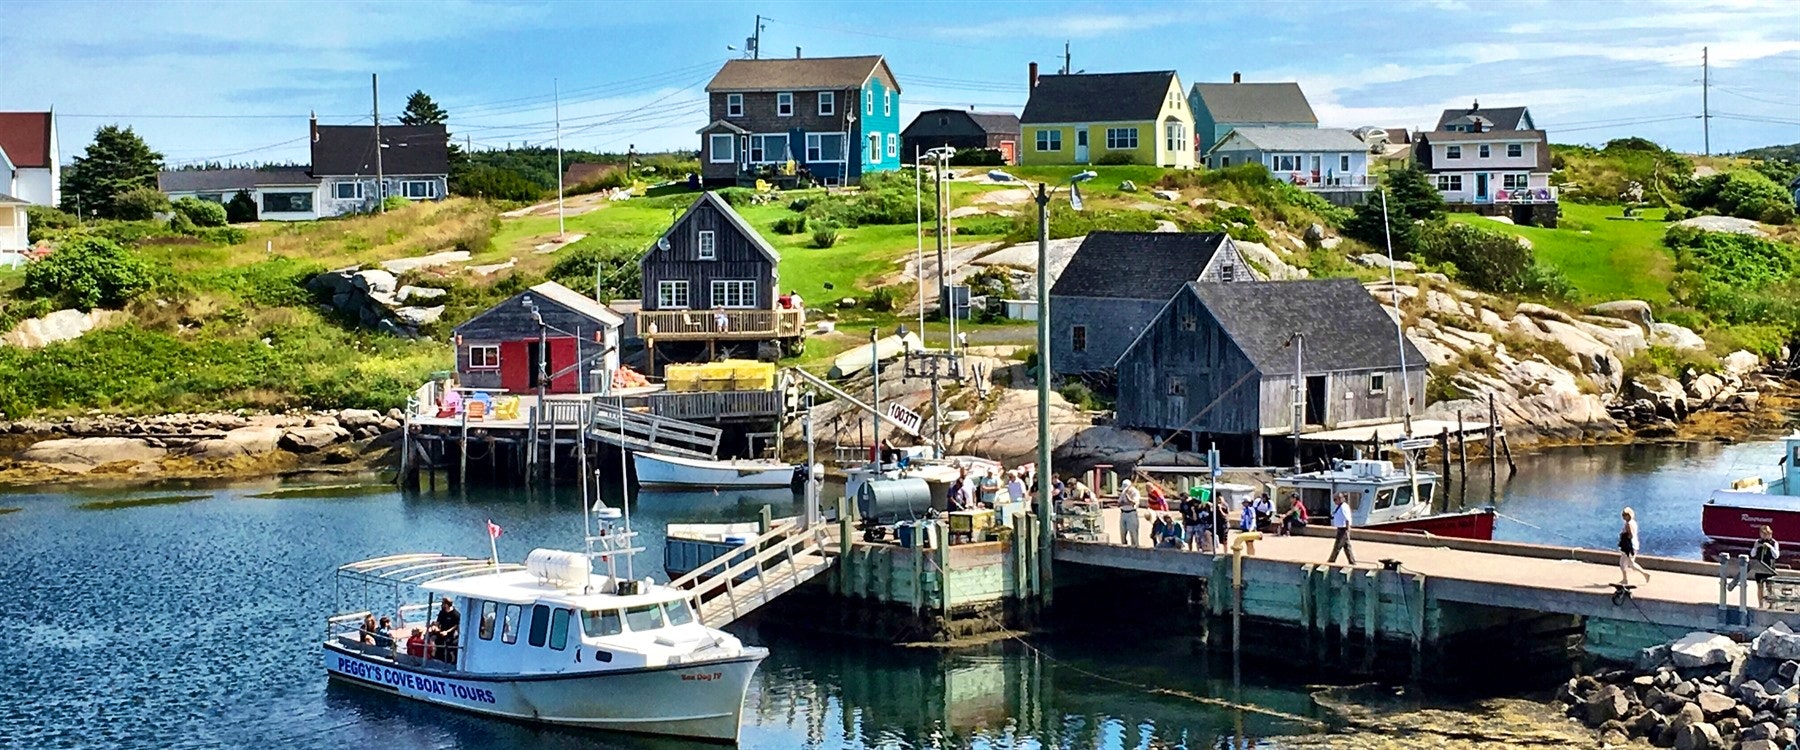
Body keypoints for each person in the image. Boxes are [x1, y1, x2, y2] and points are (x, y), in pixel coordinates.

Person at [1618, 507, 1650, 585]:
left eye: (1624, 515)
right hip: (1633, 545)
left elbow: (1630, 535)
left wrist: (1623, 535)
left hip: (1629, 546)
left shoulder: (1628, 524)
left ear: (1629, 515)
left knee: (1627, 564)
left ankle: (1644, 574)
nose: (1623, 517)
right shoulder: (1633, 522)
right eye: (1623, 515)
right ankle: (1625, 579)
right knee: (1626, 564)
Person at [1753, 525, 1782, 601]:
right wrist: (1756, 547)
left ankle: (1771, 604)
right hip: (1760, 567)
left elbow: (1776, 555)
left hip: (1769, 567)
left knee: (1769, 587)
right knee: (1760, 587)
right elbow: (1752, 554)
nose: (1764, 536)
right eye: (1763, 534)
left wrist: (1770, 547)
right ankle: (1760, 604)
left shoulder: (1774, 542)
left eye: (1766, 534)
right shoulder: (1758, 541)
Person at [430, 597, 461, 663]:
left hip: (450, 634)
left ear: (447, 604)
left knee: (448, 643)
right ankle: (435, 657)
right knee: (434, 639)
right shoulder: (442, 612)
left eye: (443, 603)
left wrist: (447, 631)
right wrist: (435, 627)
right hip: (441, 631)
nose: (442, 605)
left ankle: (448, 660)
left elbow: (456, 625)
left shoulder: (455, 614)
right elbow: (438, 622)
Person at [1328, 493, 1356, 565]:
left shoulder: (1344, 507)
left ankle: (1331, 561)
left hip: (1343, 529)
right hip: (1340, 528)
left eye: (1335, 500)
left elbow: (1347, 518)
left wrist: (1348, 529)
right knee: (1347, 547)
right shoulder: (1339, 506)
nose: (1334, 502)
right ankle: (1352, 561)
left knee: (1337, 546)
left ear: (1340, 499)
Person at [1118, 480, 1142, 548]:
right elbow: (1119, 504)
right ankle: (1124, 547)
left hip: (1131, 513)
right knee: (1122, 533)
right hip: (1123, 513)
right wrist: (1125, 501)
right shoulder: (1123, 492)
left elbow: (1132, 503)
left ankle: (1135, 548)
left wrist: (1127, 496)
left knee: (1133, 533)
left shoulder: (1135, 492)